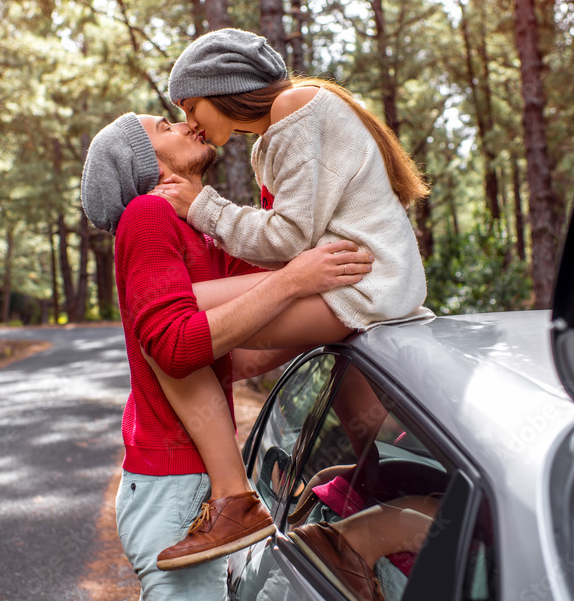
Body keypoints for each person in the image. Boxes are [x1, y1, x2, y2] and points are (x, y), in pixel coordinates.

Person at [141, 28, 434, 571]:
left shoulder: (295, 106)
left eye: (189, 101)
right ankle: (376, 483)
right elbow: (285, 247)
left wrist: (202, 208)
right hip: (350, 280)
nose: (187, 117)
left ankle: (235, 497)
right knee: (203, 344)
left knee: (180, 320)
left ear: (221, 86)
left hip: (361, 280)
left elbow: (289, 237)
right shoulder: (272, 136)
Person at [80, 111, 374, 599]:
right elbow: (175, 345)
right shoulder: (147, 215)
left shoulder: (200, 231)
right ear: (147, 165)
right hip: (173, 490)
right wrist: (293, 279)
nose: (185, 125)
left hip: (187, 488)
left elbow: (243, 350)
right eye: (164, 127)